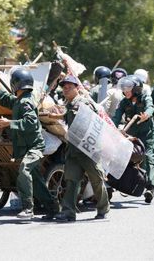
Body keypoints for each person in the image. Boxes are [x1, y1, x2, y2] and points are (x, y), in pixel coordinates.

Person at [0, 67, 60, 220]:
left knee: (24, 170)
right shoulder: (20, 100)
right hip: (25, 147)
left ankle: (28, 209)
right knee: (36, 180)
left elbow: (30, 122)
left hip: (34, 147)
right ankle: (53, 208)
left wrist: (9, 123)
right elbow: (4, 99)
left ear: (15, 84)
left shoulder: (26, 102)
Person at [51, 75, 110, 221]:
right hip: (73, 149)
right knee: (71, 180)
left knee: (96, 178)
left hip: (88, 149)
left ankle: (103, 209)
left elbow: (94, 122)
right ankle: (68, 212)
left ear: (77, 88)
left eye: (69, 87)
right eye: (64, 87)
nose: (66, 90)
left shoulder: (84, 103)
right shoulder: (68, 105)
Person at [113, 75, 154, 203]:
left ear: (137, 89)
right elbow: (116, 117)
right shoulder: (124, 102)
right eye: (124, 88)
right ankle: (134, 184)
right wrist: (111, 127)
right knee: (135, 161)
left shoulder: (145, 97)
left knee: (150, 158)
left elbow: (151, 107)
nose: (126, 91)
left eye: (129, 88)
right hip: (133, 137)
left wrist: (147, 115)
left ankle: (150, 188)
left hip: (148, 135)